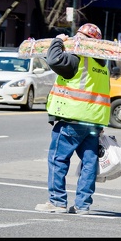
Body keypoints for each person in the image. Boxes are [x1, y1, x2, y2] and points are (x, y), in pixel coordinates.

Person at [35, 23, 111, 215]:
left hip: (72, 118)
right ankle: (83, 205)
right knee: (89, 163)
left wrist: (58, 41)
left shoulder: (78, 57)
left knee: (58, 159)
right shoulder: (102, 64)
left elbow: (54, 60)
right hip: (93, 122)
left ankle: (57, 202)